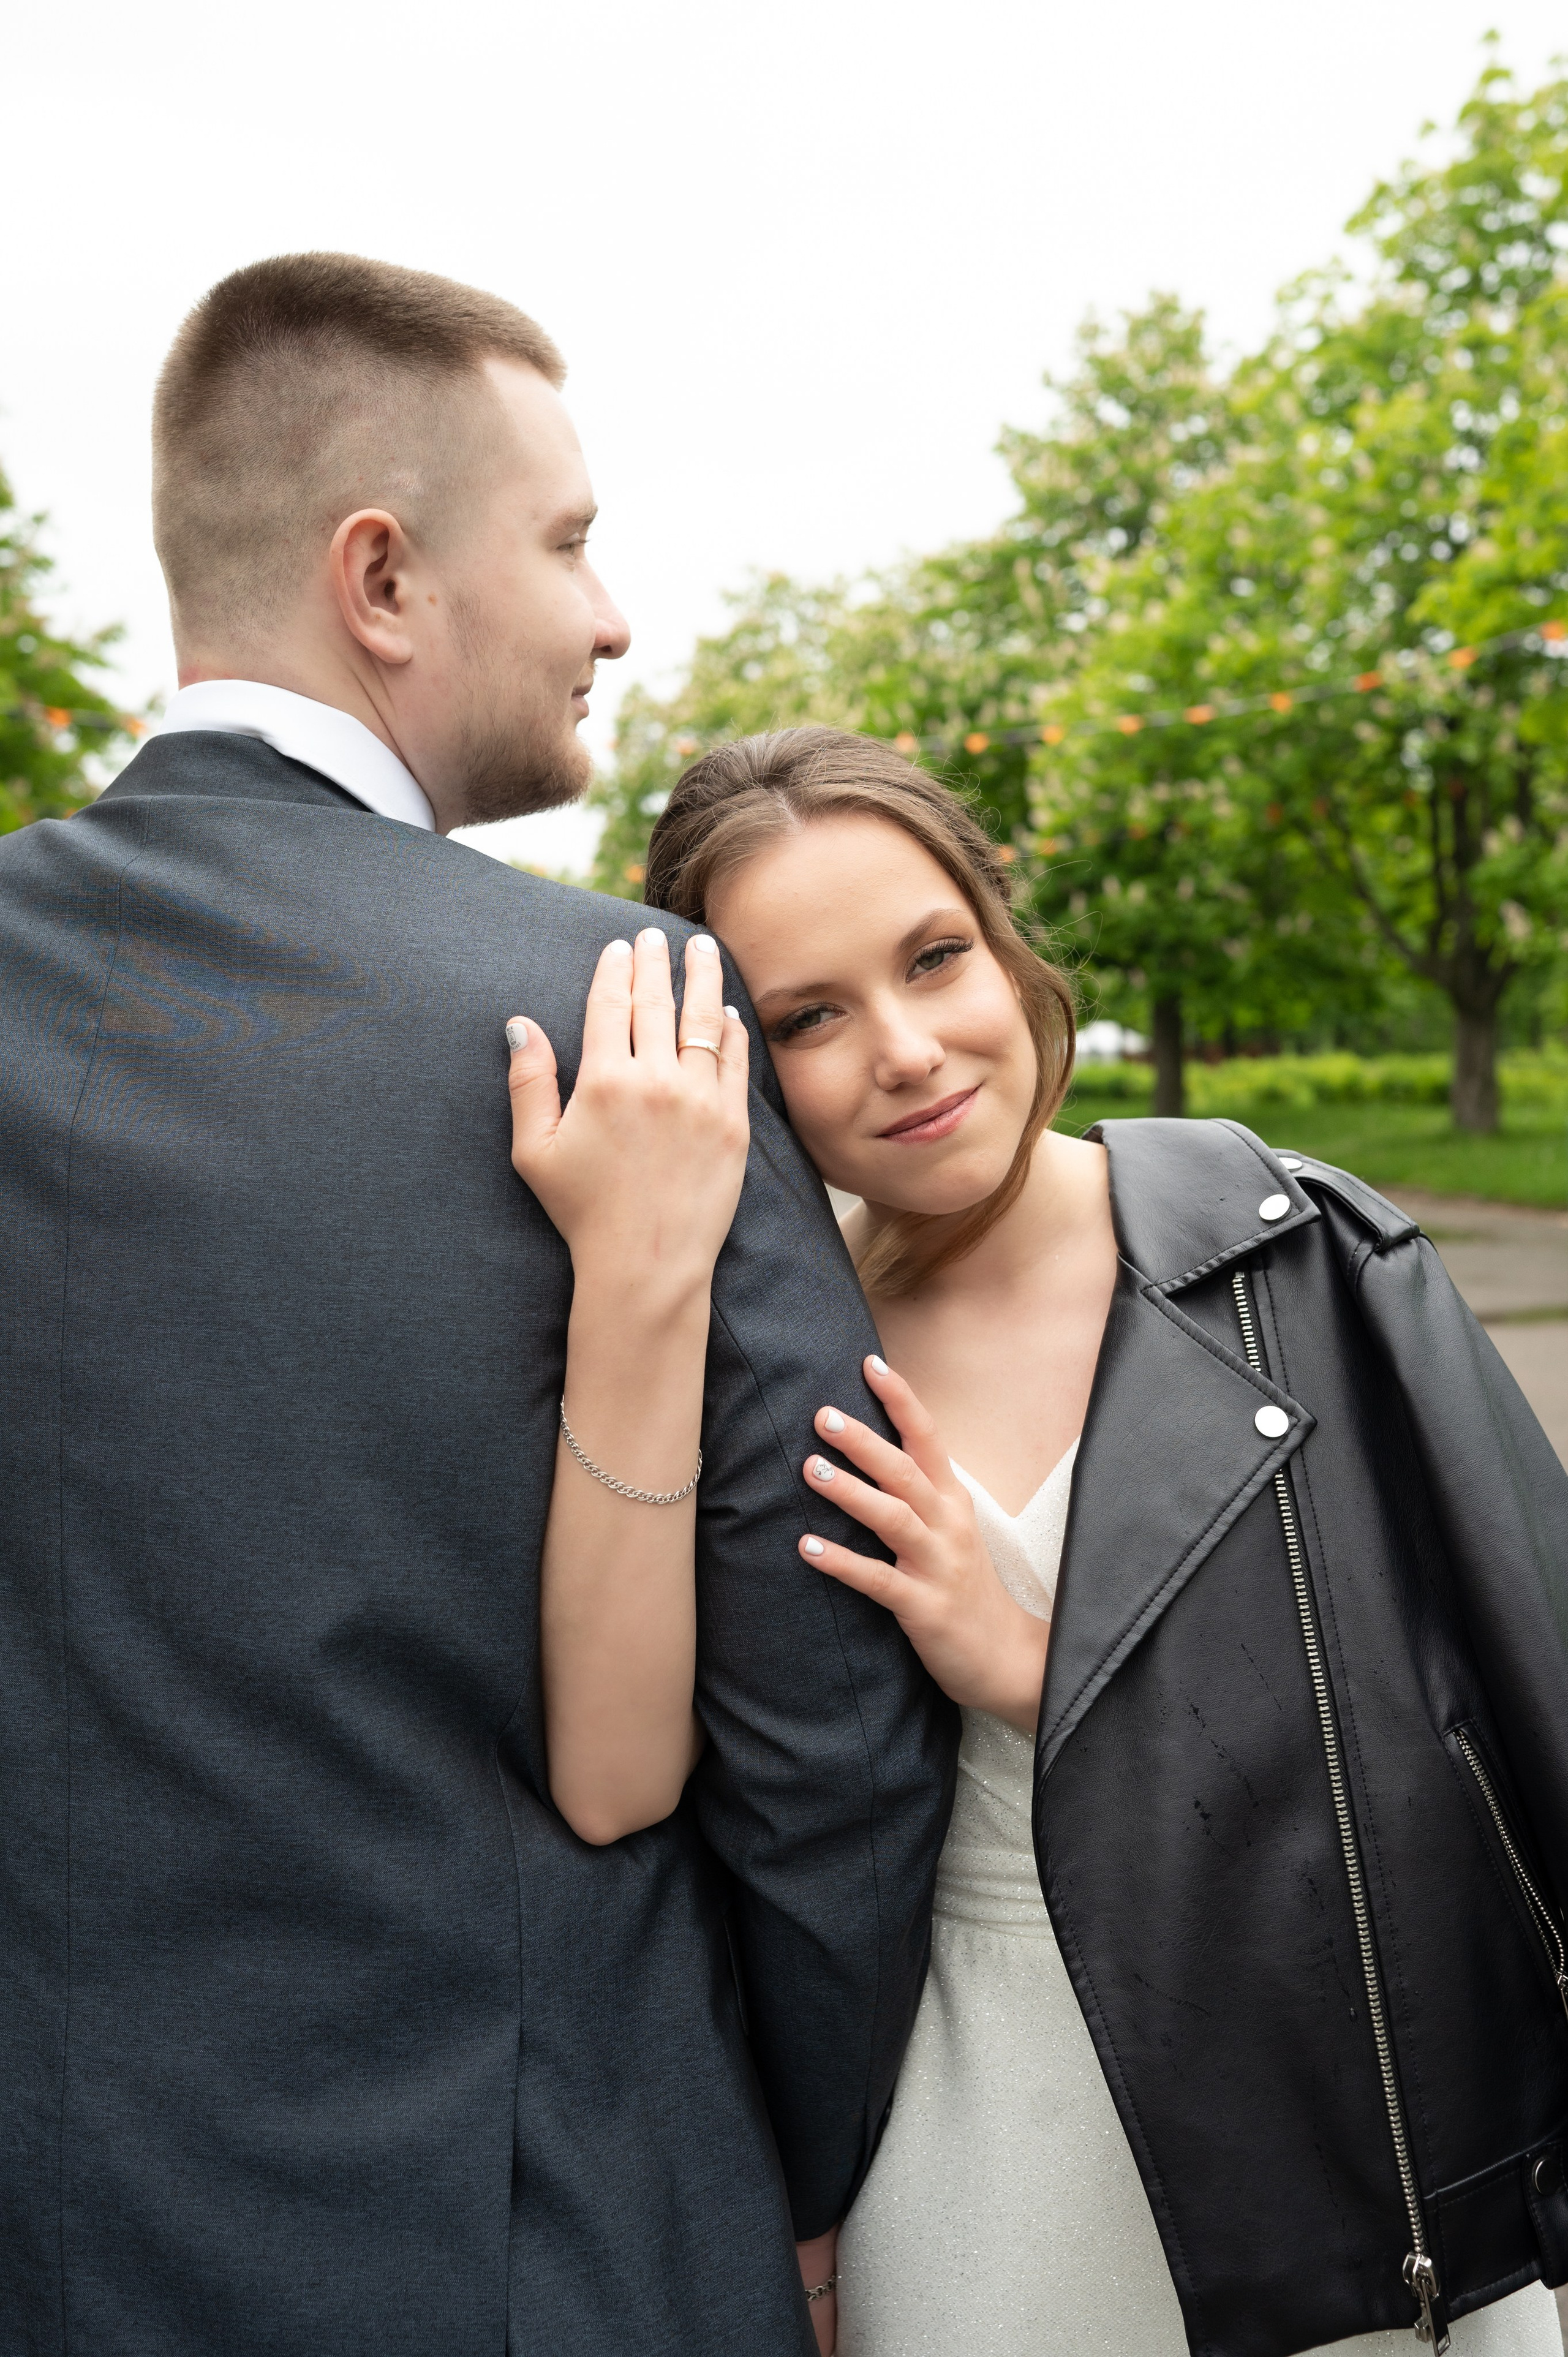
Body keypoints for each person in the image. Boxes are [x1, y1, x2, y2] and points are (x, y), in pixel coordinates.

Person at [0, 262, 954, 2356]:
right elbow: (824, 1734)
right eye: (572, 539)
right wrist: (801, 2176)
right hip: (539, 2236)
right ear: (383, 580)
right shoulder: (626, 1018)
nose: (611, 613)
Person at [510, 722, 1568, 2357]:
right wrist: (629, 1284)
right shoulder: (772, 1352)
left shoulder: (1301, 1260)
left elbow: (1489, 1733)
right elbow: (613, 1779)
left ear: (1005, 935)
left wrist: (1038, 1671)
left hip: (1335, 2109)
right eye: (810, 1017)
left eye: (936, 959)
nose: (911, 1050)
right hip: (974, 2142)